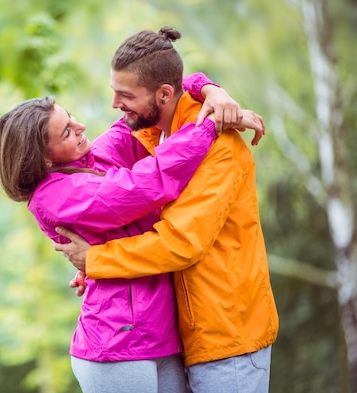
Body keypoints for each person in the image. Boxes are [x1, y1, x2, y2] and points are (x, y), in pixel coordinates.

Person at [0, 73, 265, 393]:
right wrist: (209, 126)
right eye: (67, 131)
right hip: (117, 345)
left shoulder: (95, 157)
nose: (81, 127)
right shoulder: (55, 196)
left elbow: (148, 105)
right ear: (43, 158)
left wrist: (210, 91)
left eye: (72, 118)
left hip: (161, 338)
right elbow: (144, 186)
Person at [54, 27, 279, 393]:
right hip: (184, 333)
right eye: (114, 91)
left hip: (228, 336)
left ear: (163, 95)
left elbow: (180, 242)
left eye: (125, 95)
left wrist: (96, 260)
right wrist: (206, 86)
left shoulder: (217, 144)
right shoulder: (150, 132)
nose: (115, 104)